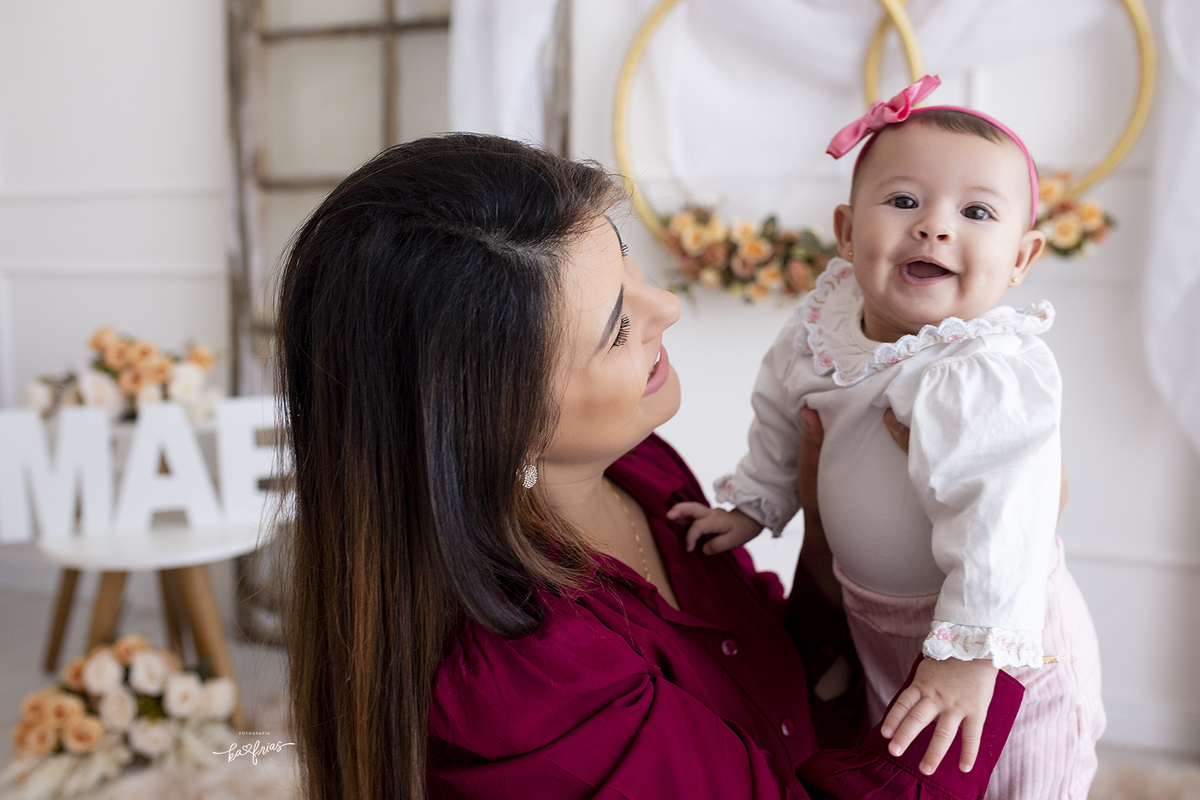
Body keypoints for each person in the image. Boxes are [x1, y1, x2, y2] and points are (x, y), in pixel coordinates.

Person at [275, 132, 1027, 800]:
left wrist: (830, 551)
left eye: (627, 263)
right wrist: (1004, 605)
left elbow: (774, 701)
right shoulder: (526, 680)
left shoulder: (637, 470)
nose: (665, 305)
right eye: (616, 327)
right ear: (489, 423)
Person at [671, 76, 1104, 798]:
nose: (936, 226)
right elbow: (781, 417)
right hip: (874, 620)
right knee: (911, 771)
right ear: (846, 232)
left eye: (976, 211)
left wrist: (969, 654)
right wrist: (753, 502)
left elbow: (1004, 516)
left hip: (996, 634)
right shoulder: (820, 329)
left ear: (1022, 261)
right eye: (904, 201)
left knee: (1022, 777)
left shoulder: (985, 367)